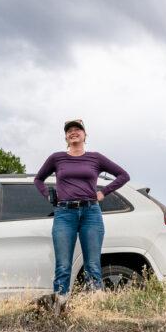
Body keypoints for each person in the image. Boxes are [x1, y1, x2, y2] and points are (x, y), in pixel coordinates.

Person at [34, 119, 130, 300]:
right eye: (69, 130)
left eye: (78, 129)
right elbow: (38, 179)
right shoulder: (57, 158)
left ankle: (94, 305)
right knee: (63, 265)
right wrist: (48, 195)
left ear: (85, 135)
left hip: (91, 213)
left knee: (92, 265)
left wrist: (103, 193)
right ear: (66, 137)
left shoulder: (96, 158)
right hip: (64, 214)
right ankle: (60, 304)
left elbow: (123, 175)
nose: (73, 132)